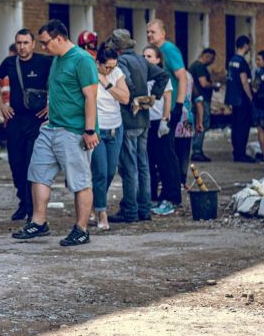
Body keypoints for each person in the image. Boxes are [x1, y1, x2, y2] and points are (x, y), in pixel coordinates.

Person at [13, 19, 98, 246]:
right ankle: (38, 222)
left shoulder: (82, 60)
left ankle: (81, 229)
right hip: (51, 128)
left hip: (74, 130)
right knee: (38, 173)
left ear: (59, 38)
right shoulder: (58, 60)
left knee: (79, 181)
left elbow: (91, 97)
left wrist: (89, 130)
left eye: (45, 43)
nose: (43, 48)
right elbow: (60, 91)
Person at [106, 29, 169, 223]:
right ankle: (144, 209)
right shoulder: (141, 60)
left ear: (116, 47)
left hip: (128, 118)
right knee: (143, 165)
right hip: (144, 119)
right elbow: (163, 76)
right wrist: (152, 97)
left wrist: (132, 98)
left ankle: (130, 211)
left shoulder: (122, 62)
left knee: (129, 167)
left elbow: (128, 86)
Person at [0, 29, 53, 221]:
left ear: (33, 44)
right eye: (19, 43)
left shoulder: (45, 61)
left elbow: (60, 81)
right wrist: (2, 104)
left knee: (32, 165)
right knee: (16, 165)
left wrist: (52, 105)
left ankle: (32, 208)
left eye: (26, 43)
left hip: (37, 120)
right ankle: (22, 202)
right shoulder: (10, 62)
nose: (22, 47)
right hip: (15, 120)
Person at [90, 44, 129, 230]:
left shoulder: (116, 72)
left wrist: (106, 81)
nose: (111, 69)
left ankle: (93, 203)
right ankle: (101, 213)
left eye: (114, 66)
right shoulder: (89, 73)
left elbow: (125, 98)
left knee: (111, 171)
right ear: (98, 63)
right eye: (107, 67)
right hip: (97, 129)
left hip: (115, 129)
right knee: (100, 172)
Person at [143, 45, 182, 215]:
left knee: (166, 161)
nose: (146, 59)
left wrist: (165, 121)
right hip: (147, 123)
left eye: (150, 56)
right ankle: (152, 197)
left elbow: (167, 100)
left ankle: (171, 197)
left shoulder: (162, 76)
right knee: (149, 162)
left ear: (158, 59)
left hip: (161, 122)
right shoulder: (142, 77)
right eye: (144, 56)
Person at [225, 35, 254, 162]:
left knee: (235, 125)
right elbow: (244, 82)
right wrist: (251, 97)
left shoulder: (231, 60)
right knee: (243, 126)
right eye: (249, 45)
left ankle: (237, 151)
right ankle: (241, 153)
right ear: (245, 45)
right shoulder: (242, 62)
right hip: (242, 99)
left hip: (233, 98)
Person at [189, 48, 220, 162]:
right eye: (211, 58)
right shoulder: (200, 67)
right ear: (206, 56)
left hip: (196, 99)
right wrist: (214, 86)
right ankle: (197, 151)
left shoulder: (194, 66)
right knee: (201, 123)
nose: (212, 61)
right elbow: (203, 83)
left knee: (197, 123)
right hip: (201, 100)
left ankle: (196, 150)